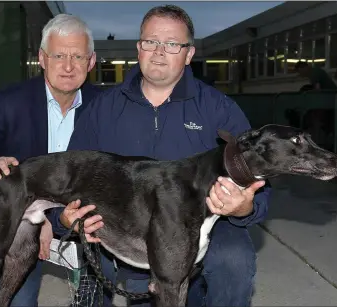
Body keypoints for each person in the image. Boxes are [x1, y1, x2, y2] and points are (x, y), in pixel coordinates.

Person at [62, 5, 272, 307]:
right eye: (151, 42)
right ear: (139, 48)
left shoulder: (218, 109)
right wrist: (65, 217)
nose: (159, 51)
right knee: (89, 255)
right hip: (125, 223)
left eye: (172, 44)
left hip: (206, 224)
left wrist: (245, 207)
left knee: (234, 260)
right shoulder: (102, 109)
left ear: (188, 54)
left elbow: (259, 184)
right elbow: (68, 174)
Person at [0, 14, 105, 306]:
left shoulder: (107, 105)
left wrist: (56, 219)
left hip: (80, 222)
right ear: (42, 59)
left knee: (94, 299)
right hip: (20, 219)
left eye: (77, 57)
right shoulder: (12, 102)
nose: (68, 67)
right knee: (11, 300)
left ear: (91, 62)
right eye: (58, 55)